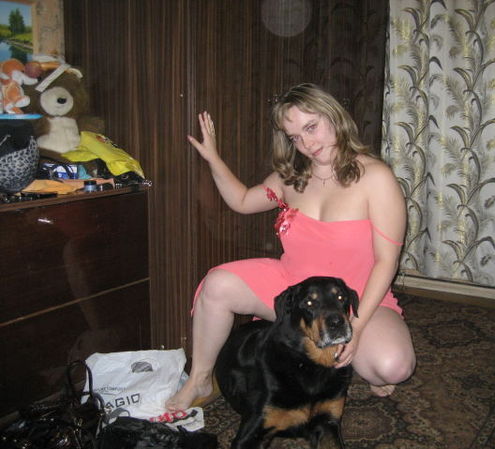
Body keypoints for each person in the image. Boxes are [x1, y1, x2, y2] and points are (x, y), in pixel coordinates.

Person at [166, 83, 415, 411]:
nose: (307, 144)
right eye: (295, 137)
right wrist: (213, 158)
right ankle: (199, 377)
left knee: (392, 367)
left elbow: (386, 262)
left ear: (333, 116)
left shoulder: (376, 178)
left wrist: (355, 327)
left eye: (311, 127)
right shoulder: (291, 178)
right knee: (217, 284)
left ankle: (345, 350)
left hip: (356, 297)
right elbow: (242, 200)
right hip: (296, 289)